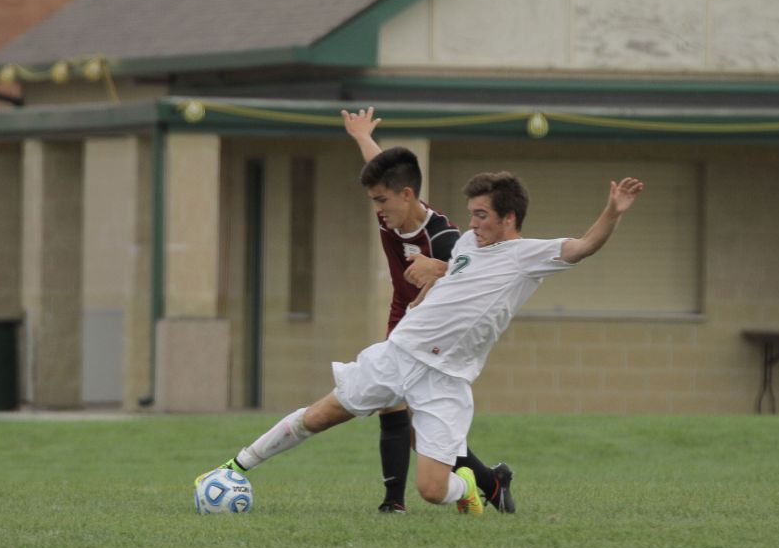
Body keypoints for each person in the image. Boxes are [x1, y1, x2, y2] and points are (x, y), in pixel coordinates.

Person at [197, 169, 644, 515]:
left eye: (482, 214)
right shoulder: (469, 242)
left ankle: (469, 487)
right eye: (471, 213)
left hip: (445, 379)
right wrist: (437, 275)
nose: (472, 222)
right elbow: (464, 277)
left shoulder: (528, 258)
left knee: (432, 491)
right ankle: (234, 467)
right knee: (320, 415)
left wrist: (614, 210)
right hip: (399, 353)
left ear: (509, 218)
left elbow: (585, 246)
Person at [339, 107, 515, 515]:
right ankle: (394, 502)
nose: (378, 207)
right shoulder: (390, 212)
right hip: (402, 311)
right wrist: (362, 136)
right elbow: (382, 172)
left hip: (434, 329)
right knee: (390, 400)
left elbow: (478, 272)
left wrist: (444, 267)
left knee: (424, 432)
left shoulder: (445, 236)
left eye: (384, 198)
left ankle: (489, 481)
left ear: (406, 195)